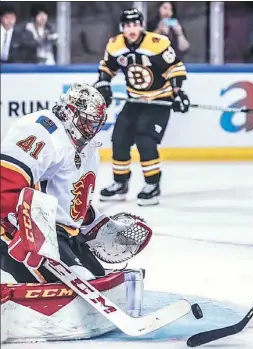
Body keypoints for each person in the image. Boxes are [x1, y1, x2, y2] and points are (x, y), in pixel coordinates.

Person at [0, 83, 152, 342]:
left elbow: (72, 203)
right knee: (80, 282)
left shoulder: (87, 147)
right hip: (22, 231)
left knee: (96, 280)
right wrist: (20, 229)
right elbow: (5, 185)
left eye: (96, 124)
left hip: (62, 235)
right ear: (69, 112)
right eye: (87, 122)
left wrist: (97, 225)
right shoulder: (42, 131)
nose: (92, 130)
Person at [94, 8, 190, 206]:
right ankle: (120, 183)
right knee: (119, 138)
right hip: (135, 100)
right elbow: (107, 68)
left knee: (145, 140)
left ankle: (152, 185)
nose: (132, 29)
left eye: (135, 24)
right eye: (128, 25)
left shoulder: (157, 43)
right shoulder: (115, 45)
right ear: (122, 28)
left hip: (158, 101)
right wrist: (103, 84)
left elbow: (175, 68)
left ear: (142, 25)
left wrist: (177, 92)